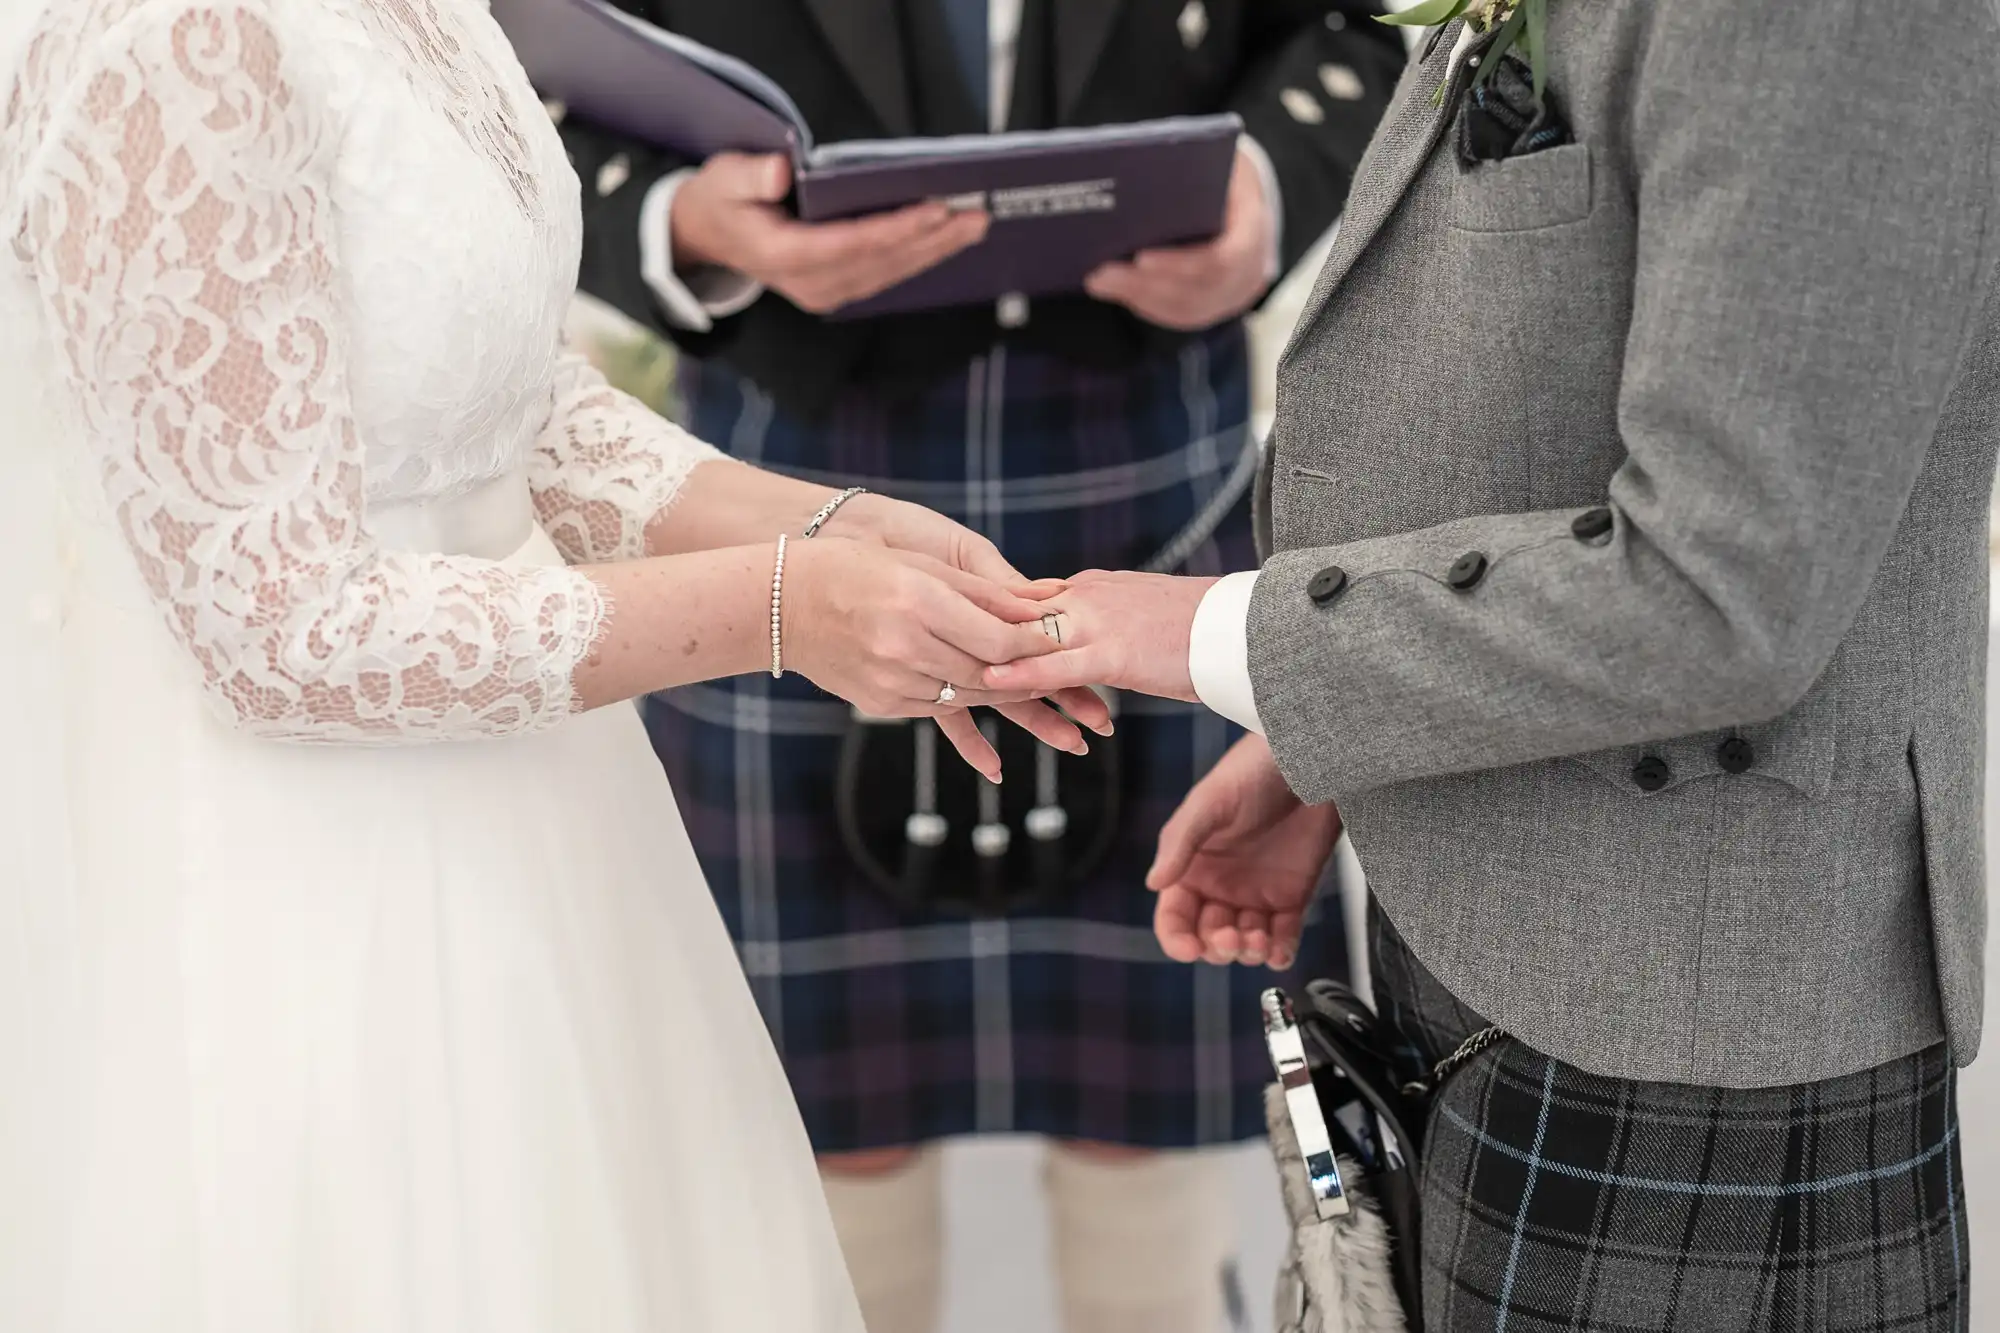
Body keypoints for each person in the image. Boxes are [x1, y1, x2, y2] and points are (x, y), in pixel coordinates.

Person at [0, 2, 1113, 1328]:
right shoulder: (169, 38)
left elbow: (500, 401)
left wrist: (824, 524)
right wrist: (783, 608)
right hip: (324, 894)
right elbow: (279, 630)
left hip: (552, 829)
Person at [985, 0, 1998, 1327]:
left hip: (1689, 1003)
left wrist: (1211, 637)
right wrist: (1333, 747)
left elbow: (1722, 593)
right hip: (1509, 929)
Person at [552, 4, 1402, 1329]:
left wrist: (1264, 192)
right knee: (821, 1110)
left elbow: (1347, 29)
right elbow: (527, 78)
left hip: (1144, 471)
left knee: (1147, 1104)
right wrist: (684, 225)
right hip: (778, 481)